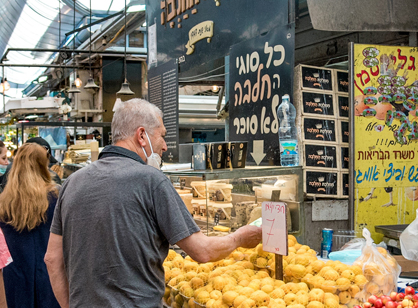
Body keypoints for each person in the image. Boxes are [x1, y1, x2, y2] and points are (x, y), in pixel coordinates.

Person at [45, 98, 262, 308]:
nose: (165, 146)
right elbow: (202, 251)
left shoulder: (72, 183)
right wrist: (240, 237)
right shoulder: (152, 180)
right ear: (142, 136)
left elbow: (52, 259)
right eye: (162, 136)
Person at [0, 143, 61, 308]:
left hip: (15, 277)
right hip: (48, 275)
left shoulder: (4, 203)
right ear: (43, 166)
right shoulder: (55, 198)